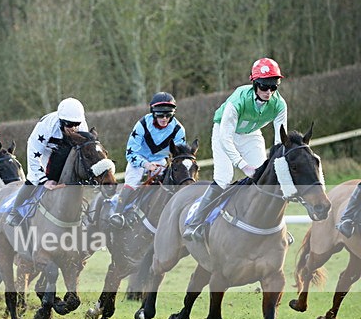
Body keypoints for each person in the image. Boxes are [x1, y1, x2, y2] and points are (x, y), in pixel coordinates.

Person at [182, 58, 288, 242]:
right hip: (224, 132)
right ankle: (195, 222)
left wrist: (276, 164)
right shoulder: (238, 101)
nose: (269, 91)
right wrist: (242, 164)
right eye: (264, 86)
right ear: (254, 83)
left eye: (274, 86)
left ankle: (274, 226)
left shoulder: (280, 105)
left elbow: (280, 141)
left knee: (265, 178)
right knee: (224, 178)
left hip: (251, 134)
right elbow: (226, 138)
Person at [109, 92, 187, 229]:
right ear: (153, 113)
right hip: (139, 160)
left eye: (168, 115)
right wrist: (145, 164)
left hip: (160, 161)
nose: (164, 118)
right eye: (160, 115)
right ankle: (118, 214)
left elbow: (179, 155)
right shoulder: (142, 125)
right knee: (133, 180)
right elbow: (131, 152)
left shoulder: (178, 129)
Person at [6, 97, 88, 226]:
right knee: (34, 179)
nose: (73, 129)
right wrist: (44, 180)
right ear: (61, 121)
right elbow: (33, 152)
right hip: (44, 151)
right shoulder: (46, 126)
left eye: (76, 124)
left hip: (66, 150)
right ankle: (14, 212)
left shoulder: (82, 125)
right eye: (69, 125)